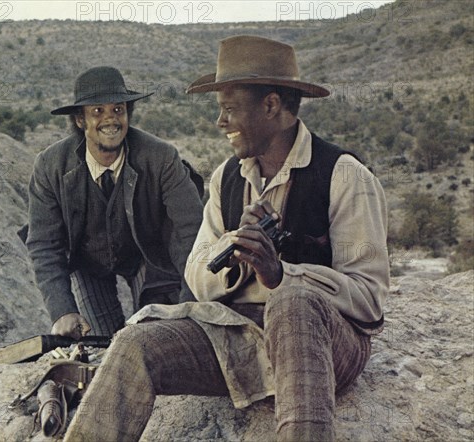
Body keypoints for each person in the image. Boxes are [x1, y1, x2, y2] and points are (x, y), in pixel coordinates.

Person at [63, 36, 389, 442]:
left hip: (323, 345)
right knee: (134, 342)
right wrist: (234, 254)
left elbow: (369, 297)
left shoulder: (344, 175)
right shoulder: (227, 178)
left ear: (271, 106)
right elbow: (198, 272)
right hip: (243, 337)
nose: (221, 123)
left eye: (229, 109)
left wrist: (280, 275)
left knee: (293, 302)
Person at [24, 66, 204, 339]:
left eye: (118, 110)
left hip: (150, 257)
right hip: (88, 263)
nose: (110, 119)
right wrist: (62, 310)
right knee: (100, 345)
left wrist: (192, 300)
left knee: (157, 337)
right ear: (80, 120)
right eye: (97, 111)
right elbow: (44, 243)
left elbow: (191, 230)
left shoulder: (162, 157)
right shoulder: (51, 166)